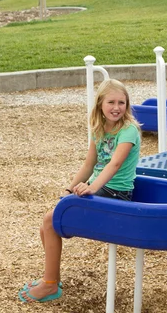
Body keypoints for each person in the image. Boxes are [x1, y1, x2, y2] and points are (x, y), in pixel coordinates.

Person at [18, 78, 141, 303]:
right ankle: (51, 279)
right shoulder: (98, 129)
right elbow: (89, 164)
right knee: (48, 224)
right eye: (111, 102)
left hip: (116, 195)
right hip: (99, 190)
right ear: (100, 105)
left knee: (49, 221)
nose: (116, 107)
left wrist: (92, 188)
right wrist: (70, 189)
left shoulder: (129, 130)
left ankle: (50, 284)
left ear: (127, 105)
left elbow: (114, 165)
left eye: (121, 102)